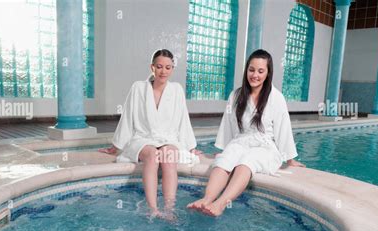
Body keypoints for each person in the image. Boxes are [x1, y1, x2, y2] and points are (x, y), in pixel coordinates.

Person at [187, 49, 305, 217]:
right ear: (246, 70)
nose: (254, 75)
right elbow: (228, 125)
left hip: (265, 146)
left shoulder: (276, 97)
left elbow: (283, 128)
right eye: (251, 69)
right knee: (224, 160)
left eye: (260, 71)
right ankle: (206, 199)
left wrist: (290, 158)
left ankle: (220, 204)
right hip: (241, 141)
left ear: (268, 73)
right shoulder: (236, 95)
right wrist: (224, 149)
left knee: (246, 162)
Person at [99, 49, 201, 217]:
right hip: (143, 138)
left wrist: (190, 146)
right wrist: (116, 146)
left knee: (169, 155)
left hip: (168, 138)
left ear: (172, 69)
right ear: (152, 67)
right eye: (159, 66)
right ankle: (152, 209)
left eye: (168, 67)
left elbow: (184, 119)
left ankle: (169, 209)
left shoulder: (176, 90)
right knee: (153, 155)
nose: (163, 71)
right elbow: (128, 117)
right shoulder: (138, 88)